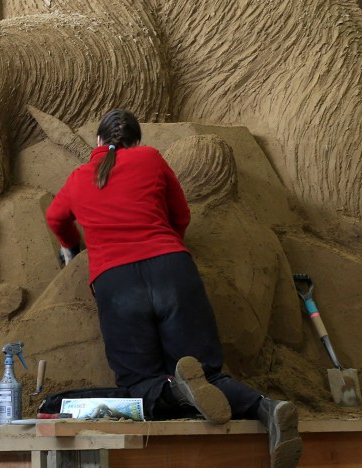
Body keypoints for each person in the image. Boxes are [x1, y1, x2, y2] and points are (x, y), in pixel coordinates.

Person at [45, 108, 302, 468]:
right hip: (172, 271)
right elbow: (181, 214)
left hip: (116, 285)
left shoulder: (77, 178)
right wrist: (168, 247)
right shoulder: (150, 158)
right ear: (136, 141)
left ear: (99, 142)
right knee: (206, 372)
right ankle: (269, 409)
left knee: (138, 383)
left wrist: (72, 248)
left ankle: (174, 389)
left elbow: (55, 217)